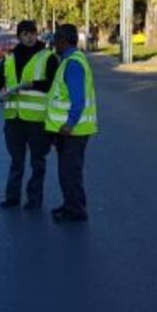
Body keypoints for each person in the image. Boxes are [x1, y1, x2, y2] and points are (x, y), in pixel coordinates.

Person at [0, 20, 59, 210]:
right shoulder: (10, 56)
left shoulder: (47, 56)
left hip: (36, 119)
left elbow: (53, 84)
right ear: (19, 36)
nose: (30, 37)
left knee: (37, 161)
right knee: (16, 160)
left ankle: (34, 200)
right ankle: (12, 198)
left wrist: (33, 84)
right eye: (25, 34)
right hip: (14, 117)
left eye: (33, 33)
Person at [46, 24, 98, 223]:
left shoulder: (73, 64)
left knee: (69, 173)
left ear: (63, 41)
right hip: (72, 130)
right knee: (70, 171)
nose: (53, 44)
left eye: (56, 40)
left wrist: (69, 123)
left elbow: (78, 98)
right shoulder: (70, 60)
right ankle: (72, 204)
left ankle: (75, 210)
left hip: (73, 130)